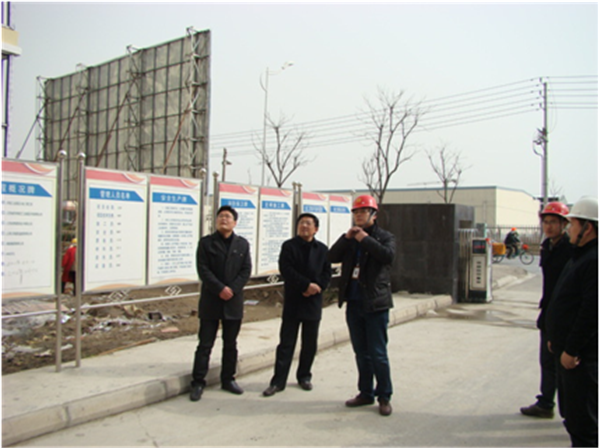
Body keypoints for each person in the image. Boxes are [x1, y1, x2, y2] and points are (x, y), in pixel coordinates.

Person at [327, 194, 396, 417]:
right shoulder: (350, 239)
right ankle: (365, 392)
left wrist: (364, 239)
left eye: (363, 211)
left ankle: (384, 395)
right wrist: (346, 238)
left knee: (378, 353)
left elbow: (387, 256)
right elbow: (331, 256)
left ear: (374, 214)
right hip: (354, 302)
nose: (359, 215)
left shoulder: (385, 237)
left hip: (375, 304)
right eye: (356, 212)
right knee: (361, 352)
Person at [545, 196, 598, 447]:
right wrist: (555, 338)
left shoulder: (594, 261)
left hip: (579, 359)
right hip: (564, 350)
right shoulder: (580, 256)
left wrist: (571, 349)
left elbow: (591, 312)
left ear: (588, 228)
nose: (569, 229)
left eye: (573, 224)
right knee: (572, 416)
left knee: (583, 424)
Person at [262, 213, 332, 397]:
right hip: (294, 300)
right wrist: (305, 285)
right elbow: (286, 269)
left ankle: (304, 376)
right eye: (301, 223)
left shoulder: (322, 249)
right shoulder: (289, 246)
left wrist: (316, 287)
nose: (304, 226)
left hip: (313, 302)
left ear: (316, 229)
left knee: (310, 343)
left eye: (308, 223)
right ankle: (278, 381)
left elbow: (327, 273)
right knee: (286, 343)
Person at [189, 205, 252, 402]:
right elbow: (203, 269)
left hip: (233, 301)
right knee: (205, 344)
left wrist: (231, 289)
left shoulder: (242, 244)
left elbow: (246, 270)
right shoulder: (206, 243)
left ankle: (228, 379)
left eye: (228, 216)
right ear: (216, 221)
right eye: (220, 216)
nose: (224, 219)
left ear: (235, 222)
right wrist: (219, 289)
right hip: (211, 300)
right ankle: (198, 382)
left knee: (230, 344)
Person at [520, 202, 572, 419]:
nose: (548, 226)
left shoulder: (570, 249)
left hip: (566, 314)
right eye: (546, 222)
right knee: (547, 361)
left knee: (565, 365)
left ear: (564, 224)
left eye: (553, 222)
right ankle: (546, 402)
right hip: (549, 310)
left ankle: (572, 411)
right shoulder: (547, 247)